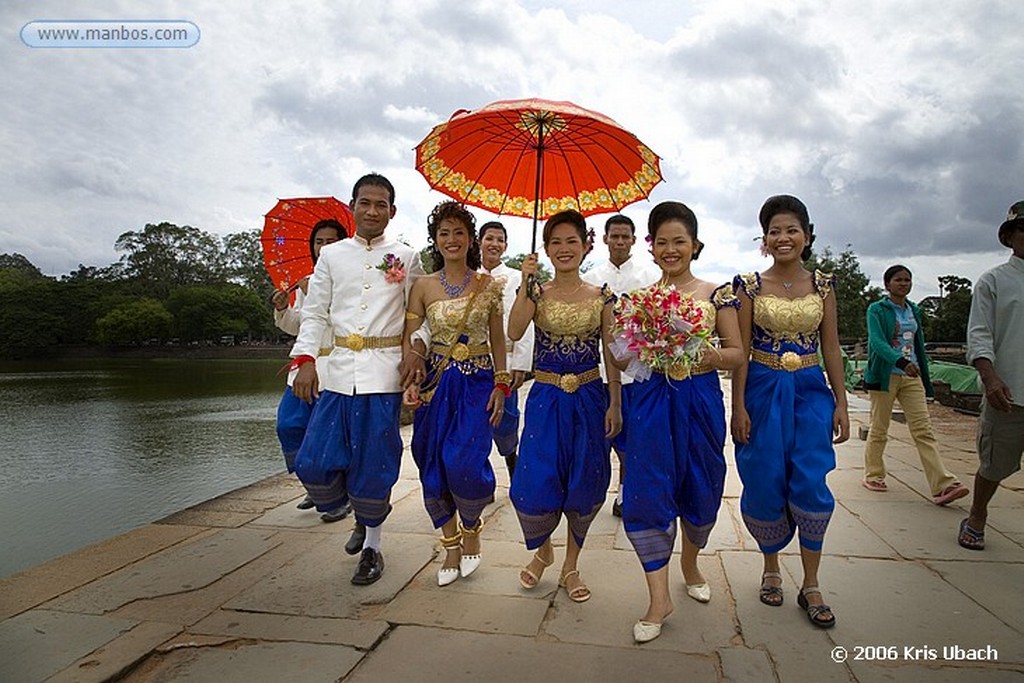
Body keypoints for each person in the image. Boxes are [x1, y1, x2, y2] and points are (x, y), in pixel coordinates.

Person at [616, 201, 744, 643]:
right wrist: (644, 343)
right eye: (662, 242)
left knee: (702, 487)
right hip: (651, 404)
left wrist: (701, 354)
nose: (671, 250)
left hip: (699, 402)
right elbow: (622, 355)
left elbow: (736, 353)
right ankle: (658, 598)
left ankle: (690, 562)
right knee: (647, 492)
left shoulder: (716, 293)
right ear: (651, 248)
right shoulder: (640, 300)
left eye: (680, 241)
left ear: (695, 245)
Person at [291, 173, 422, 586]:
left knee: (376, 465)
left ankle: (373, 546)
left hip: (383, 376)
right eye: (364, 203)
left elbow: (418, 317)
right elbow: (314, 312)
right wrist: (305, 359)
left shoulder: (406, 256)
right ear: (353, 207)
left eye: (380, 204)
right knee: (313, 462)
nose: (372, 211)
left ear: (392, 211)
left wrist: (415, 351)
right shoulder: (332, 256)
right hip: (336, 372)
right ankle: (358, 512)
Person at [731, 195, 849, 629]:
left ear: (807, 236)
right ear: (764, 239)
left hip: (809, 392)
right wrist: (738, 405)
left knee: (811, 479)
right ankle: (771, 568)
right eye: (774, 231)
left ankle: (812, 583)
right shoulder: (747, 287)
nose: (783, 237)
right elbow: (741, 351)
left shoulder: (824, 284)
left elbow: (831, 346)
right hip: (762, 390)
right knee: (765, 477)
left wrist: (840, 402)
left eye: (791, 230)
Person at [508, 210, 622, 604]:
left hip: (590, 397)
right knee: (536, 479)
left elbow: (611, 353)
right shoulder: (537, 293)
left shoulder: (602, 295)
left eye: (571, 241)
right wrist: (526, 284)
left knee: (583, 480)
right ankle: (543, 549)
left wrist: (616, 404)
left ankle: (570, 565)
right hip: (546, 397)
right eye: (555, 242)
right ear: (546, 249)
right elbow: (514, 331)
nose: (563, 249)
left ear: (586, 245)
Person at [403, 202, 507, 586]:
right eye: (444, 233)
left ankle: (472, 526)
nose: (451, 240)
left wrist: (501, 383)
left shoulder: (487, 285)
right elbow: (411, 339)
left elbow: (497, 338)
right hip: (436, 384)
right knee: (431, 462)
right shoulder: (422, 286)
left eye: (459, 232)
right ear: (435, 240)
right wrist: (411, 379)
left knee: (463, 462)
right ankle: (449, 544)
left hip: (477, 383)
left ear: (471, 240)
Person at [862, 265, 969, 504]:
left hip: (911, 376)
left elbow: (919, 344)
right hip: (885, 375)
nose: (903, 284)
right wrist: (899, 360)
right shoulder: (877, 310)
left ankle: (943, 483)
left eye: (907, 280)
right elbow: (878, 342)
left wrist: (924, 375)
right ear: (888, 284)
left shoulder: (914, 310)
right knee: (879, 428)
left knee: (923, 429)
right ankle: (874, 474)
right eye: (898, 280)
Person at [271, 219, 353, 522]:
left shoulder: (352, 280)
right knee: (289, 425)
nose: (325, 247)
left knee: (327, 436)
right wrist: (283, 308)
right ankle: (317, 487)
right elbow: (299, 326)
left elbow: (347, 324)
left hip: (334, 368)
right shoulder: (305, 281)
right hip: (305, 365)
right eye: (319, 242)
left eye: (332, 241)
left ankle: (336, 497)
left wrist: (320, 296)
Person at [582, 214, 660, 517]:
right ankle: (592, 493)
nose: (619, 242)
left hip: (637, 371)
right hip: (597, 372)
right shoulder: (591, 278)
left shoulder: (649, 277)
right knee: (599, 435)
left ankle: (627, 492)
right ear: (604, 239)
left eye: (625, 236)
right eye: (614, 236)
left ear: (634, 240)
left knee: (634, 437)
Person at [957, 200, 1024, 551]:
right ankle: (977, 515)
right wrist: (989, 376)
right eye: (1023, 229)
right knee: (995, 463)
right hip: (1009, 391)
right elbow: (979, 333)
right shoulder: (994, 281)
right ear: (1011, 236)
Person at [479, 220, 535, 476]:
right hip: (474, 361)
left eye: (500, 240)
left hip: (508, 361)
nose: (494, 244)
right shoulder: (468, 276)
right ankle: (478, 475)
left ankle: (511, 455)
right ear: (479, 242)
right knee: (475, 421)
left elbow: (525, 323)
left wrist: (521, 365)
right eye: (489, 238)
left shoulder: (516, 278)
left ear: (506, 245)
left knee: (507, 419)